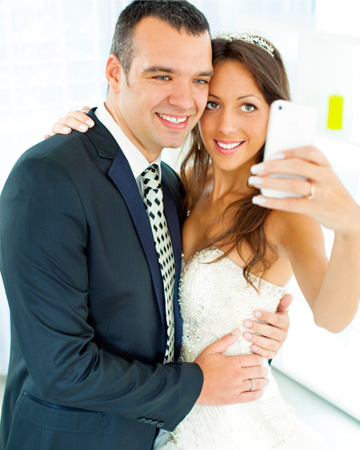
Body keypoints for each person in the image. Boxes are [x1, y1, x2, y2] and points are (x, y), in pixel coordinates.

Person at [0, 2, 291, 450]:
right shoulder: (48, 176)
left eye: (199, 81)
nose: (185, 99)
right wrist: (195, 385)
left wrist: (256, 333)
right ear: (115, 73)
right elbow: (62, 368)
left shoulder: (170, 185)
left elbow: (177, 312)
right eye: (162, 76)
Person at [54, 32, 360, 449]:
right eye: (212, 103)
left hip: (235, 422)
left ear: (275, 112)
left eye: (248, 106)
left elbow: (332, 317)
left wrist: (351, 228)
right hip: (170, 407)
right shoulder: (186, 184)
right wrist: (84, 135)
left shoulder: (283, 212)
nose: (226, 125)